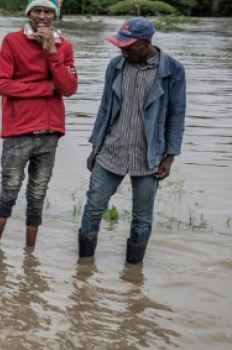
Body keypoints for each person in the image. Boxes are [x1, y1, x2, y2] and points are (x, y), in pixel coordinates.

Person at [78, 17, 186, 264]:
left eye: (129, 47)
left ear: (146, 43)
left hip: (149, 155)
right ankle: (83, 268)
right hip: (111, 149)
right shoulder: (116, 66)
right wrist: (95, 147)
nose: (123, 52)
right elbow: (105, 108)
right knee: (93, 207)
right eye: (120, 47)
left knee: (141, 217)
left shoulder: (172, 70)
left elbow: (176, 115)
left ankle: (133, 272)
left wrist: (170, 157)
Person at [0, 0, 78, 249]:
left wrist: (52, 50)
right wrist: (46, 88)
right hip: (18, 130)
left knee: (38, 195)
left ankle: (30, 255)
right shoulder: (12, 41)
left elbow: (69, 88)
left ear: (55, 15)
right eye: (37, 10)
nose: (42, 16)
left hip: (50, 132)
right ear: (29, 13)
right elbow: (2, 85)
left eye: (48, 11)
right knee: (9, 191)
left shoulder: (64, 46)